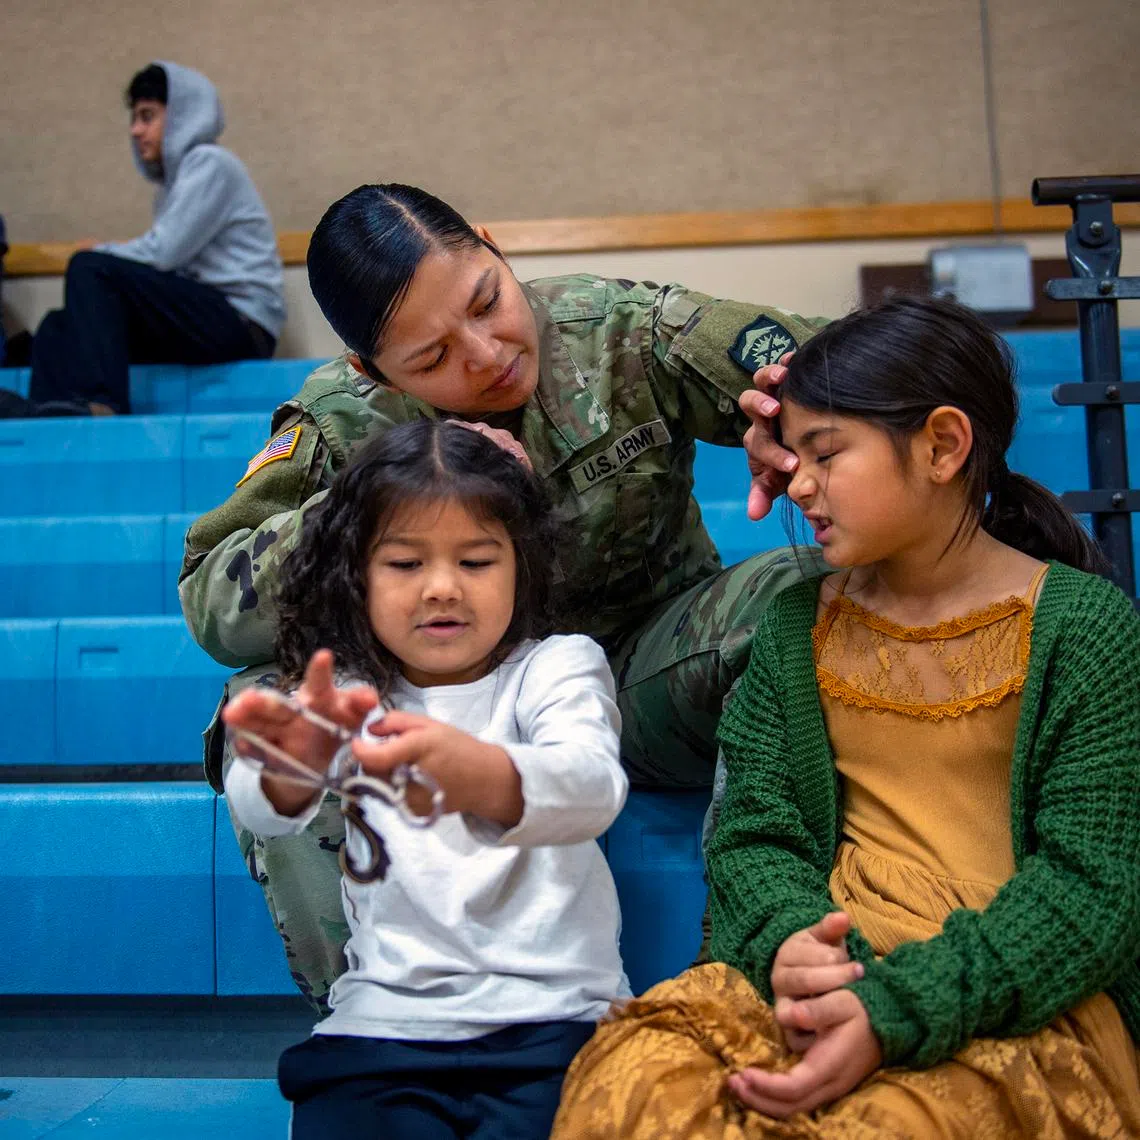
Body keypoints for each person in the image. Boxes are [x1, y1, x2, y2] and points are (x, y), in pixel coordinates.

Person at [179, 183, 825, 1010]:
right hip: (443, 713)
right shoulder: (337, 422)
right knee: (274, 708)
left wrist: (801, 423)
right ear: (369, 371)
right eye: (433, 359)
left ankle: (746, 966)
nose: (485, 354)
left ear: (494, 247)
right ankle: (369, 1020)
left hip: (647, 678)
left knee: (797, 594)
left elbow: (835, 367)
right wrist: (370, 495)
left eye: (487, 302)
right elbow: (211, 598)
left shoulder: (620, 331)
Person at [550, 294, 1140, 1138]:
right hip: (834, 966)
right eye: (793, 456)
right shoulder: (799, 623)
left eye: (825, 454)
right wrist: (790, 949)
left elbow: (1092, 892)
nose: (803, 484)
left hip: (1008, 987)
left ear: (942, 445)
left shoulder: (1084, 629)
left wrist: (896, 1011)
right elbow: (756, 835)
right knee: (633, 1083)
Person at [223, 418, 628, 1139]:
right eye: (405, 564)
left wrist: (479, 774)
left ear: (522, 565)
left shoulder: (556, 665)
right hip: (384, 1026)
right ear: (356, 574)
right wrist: (291, 765)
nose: (442, 588)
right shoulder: (348, 692)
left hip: (559, 1021)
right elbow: (263, 812)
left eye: (476, 561)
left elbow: (591, 786)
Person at [21, 62, 285, 417]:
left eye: (147, 117)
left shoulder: (210, 163)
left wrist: (97, 251)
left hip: (241, 323)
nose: (135, 130)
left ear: (182, 116)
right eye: (133, 119)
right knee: (56, 326)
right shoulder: (171, 185)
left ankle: (104, 403)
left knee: (89, 267)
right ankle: (50, 418)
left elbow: (162, 254)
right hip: (207, 316)